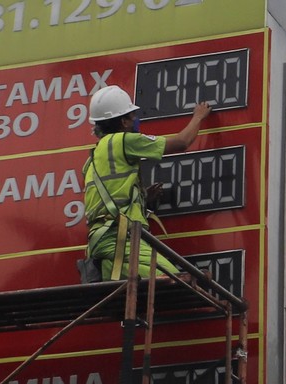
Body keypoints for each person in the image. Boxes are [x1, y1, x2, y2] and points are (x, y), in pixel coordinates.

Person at [82, 85, 212, 281]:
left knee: (128, 298)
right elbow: (181, 143)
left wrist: (142, 198)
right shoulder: (123, 141)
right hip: (120, 240)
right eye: (131, 116)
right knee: (175, 281)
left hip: (100, 243)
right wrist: (198, 117)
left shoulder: (92, 159)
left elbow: (110, 195)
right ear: (123, 121)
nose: (135, 120)